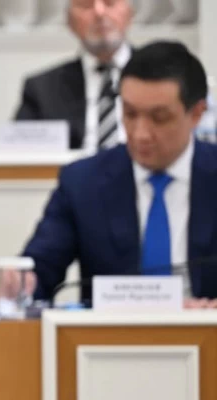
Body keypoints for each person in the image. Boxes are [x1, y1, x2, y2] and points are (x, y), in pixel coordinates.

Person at [16, 41, 217, 307]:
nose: (140, 133)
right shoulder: (83, 182)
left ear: (197, 114)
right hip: (111, 332)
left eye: (159, 118)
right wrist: (18, 282)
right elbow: (39, 271)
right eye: (130, 114)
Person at [14, 0, 133, 151]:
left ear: (130, 14)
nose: (99, 12)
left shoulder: (159, 76)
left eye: (109, 3)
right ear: (69, 22)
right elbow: (20, 151)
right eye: (86, 5)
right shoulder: (42, 88)